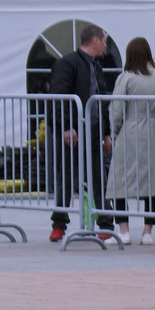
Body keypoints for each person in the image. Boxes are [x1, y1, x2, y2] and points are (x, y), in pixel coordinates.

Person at [45, 26, 115, 242]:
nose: (106, 43)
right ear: (95, 40)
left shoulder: (96, 66)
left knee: (98, 178)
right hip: (72, 133)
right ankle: (59, 225)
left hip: (93, 131)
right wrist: (66, 126)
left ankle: (105, 224)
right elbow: (59, 97)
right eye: (104, 39)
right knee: (65, 177)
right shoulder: (67, 64)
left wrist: (105, 133)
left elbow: (101, 102)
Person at [106, 36, 155, 243]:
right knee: (154, 183)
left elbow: (117, 111)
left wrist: (114, 132)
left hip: (130, 132)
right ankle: (147, 232)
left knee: (120, 182)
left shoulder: (126, 78)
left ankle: (124, 230)